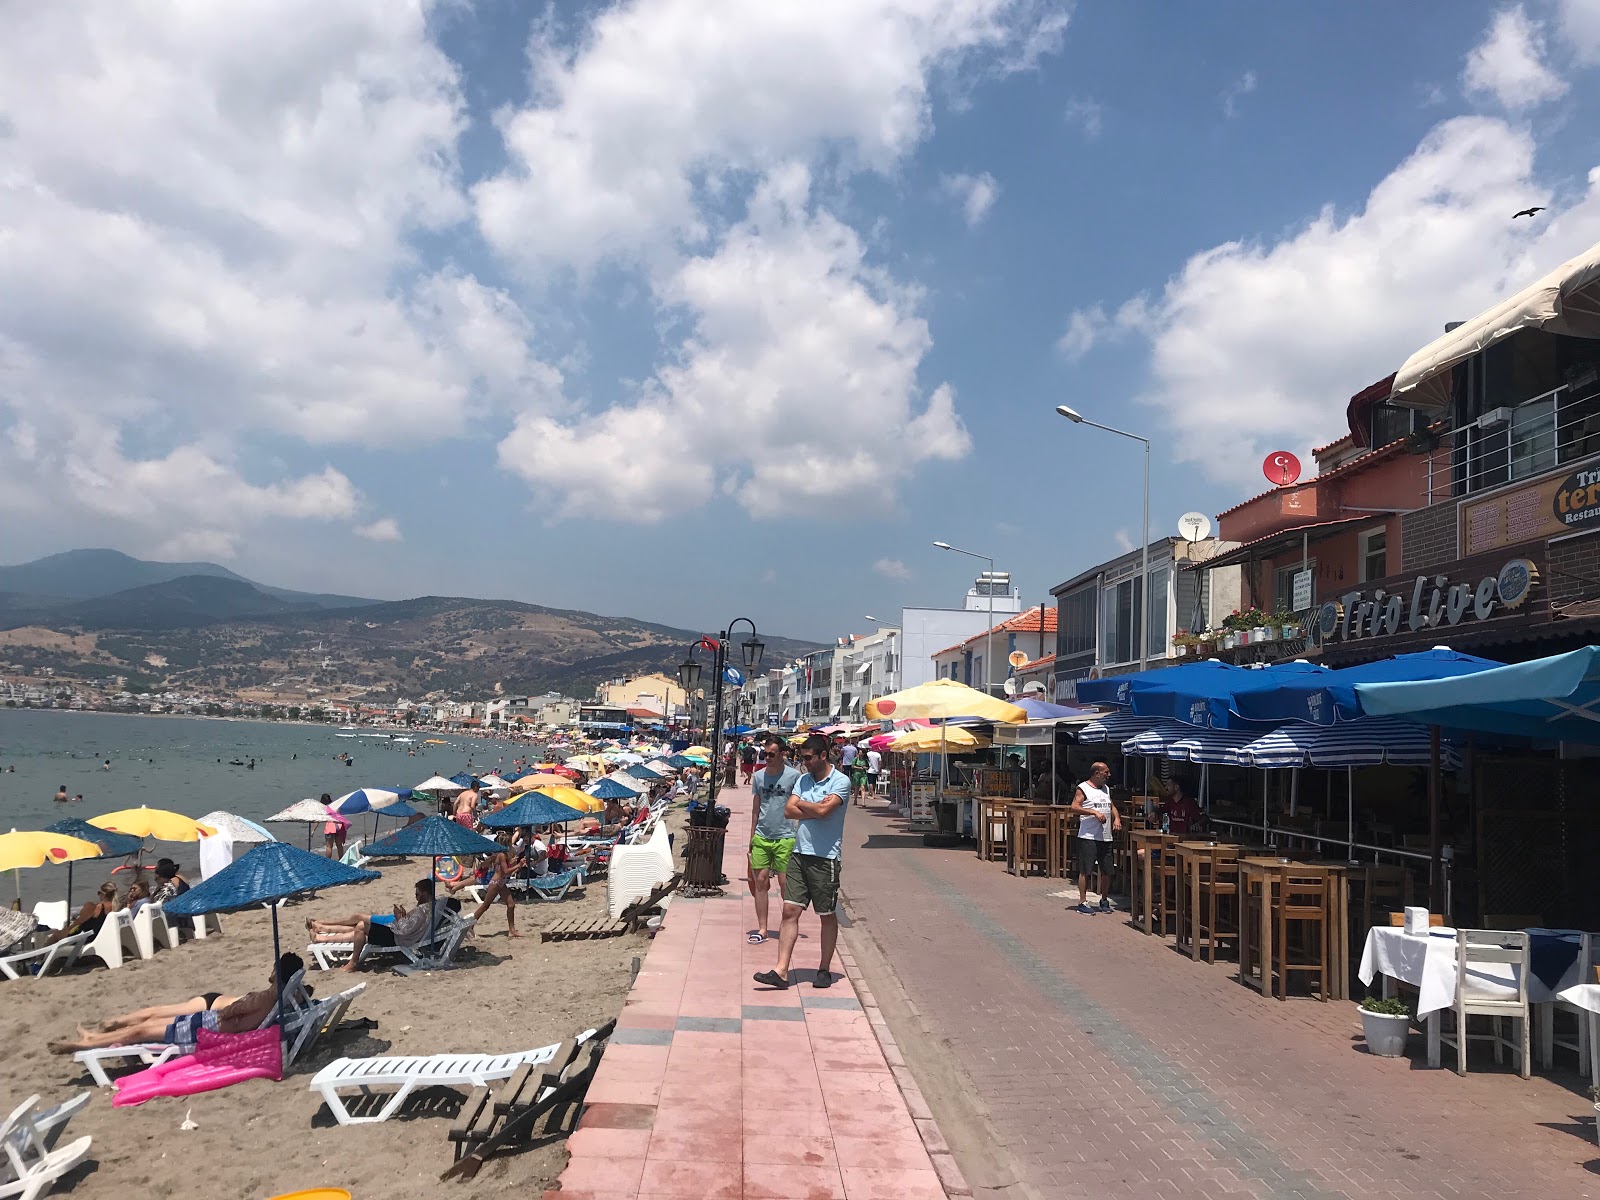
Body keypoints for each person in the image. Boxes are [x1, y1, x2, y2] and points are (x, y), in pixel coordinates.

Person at [49, 955, 303, 1055]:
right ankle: (91, 1037)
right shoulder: (282, 997)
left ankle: (84, 1044)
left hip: (207, 1025)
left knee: (143, 1029)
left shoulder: (265, 997)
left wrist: (237, 1008)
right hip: (209, 1022)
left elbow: (231, 1011)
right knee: (147, 1025)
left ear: (276, 972)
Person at [753, 733, 849, 990]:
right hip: (799, 853)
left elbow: (824, 812)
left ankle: (824, 969)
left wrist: (810, 807)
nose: (804, 762)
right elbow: (789, 810)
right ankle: (781, 970)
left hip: (825, 857)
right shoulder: (804, 780)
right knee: (789, 910)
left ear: (822, 756)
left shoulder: (841, 781)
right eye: (802, 757)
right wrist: (815, 806)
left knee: (826, 914)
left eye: (808, 758)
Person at [307, 878, 448, 973]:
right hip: (401, 933)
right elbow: (412, 926)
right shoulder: (430, 907)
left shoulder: (423, 910)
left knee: (361, 925)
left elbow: (404, 930)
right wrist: (404, 917)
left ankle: (353, 962)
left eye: (417, 894)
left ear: (424, 893)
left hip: (398, 937)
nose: (415, 897)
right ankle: (322, 935)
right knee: (360, 926)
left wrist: (399, 918)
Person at [747, 733, 800, 945]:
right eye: (765, 753)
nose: (767, 757)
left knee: (785, 883)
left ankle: (788, 923)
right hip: (762, 835)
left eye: (771, 754)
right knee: (760, 882)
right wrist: (752, 836)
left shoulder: (794, 777)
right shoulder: (758, 777)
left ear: (782, 754)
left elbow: (801, 804)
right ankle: (762, 928)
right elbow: (755, 808)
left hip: (786, 836)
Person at [1069, 762, 1121, 915]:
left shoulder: (1106, 789)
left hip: (1105, 836)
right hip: (1089, 835)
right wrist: (1093, 812)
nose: (1108, 775)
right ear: (1097, 773)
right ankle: (1082, 901)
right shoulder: (1083, 788)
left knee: (1107, 870)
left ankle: (1104, 899)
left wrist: (1116, 818)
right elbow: (1074, 807)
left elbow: (1111, 806)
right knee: (1086, 869)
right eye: (1106, 772)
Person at [470, 835, 521, 938]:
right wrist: (518, 865)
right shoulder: (502, 855)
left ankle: (511, 930)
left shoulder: (501, 855)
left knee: (511, 905)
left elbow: (501, 868)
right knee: (485, 906)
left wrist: (514, 863)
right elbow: (506, 871)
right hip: (496, 883)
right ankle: (469, 926)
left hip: (500, 883)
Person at [46, 882, 120, 945]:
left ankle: (40, 959)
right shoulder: (116, 908)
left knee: (55, 935)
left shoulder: (97, 907)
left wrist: (67, 929)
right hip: (98, 938)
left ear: (103, 895)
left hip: (85, 940)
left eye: (99, 893)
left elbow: (78, 921)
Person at [321, 793, 347, 858]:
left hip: (330, 828)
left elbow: (318, 819)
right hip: (338, 826)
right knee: (339, 845)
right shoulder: (335, 806)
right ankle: (341, 860)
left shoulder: (324, 808)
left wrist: (313, 830)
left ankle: (328, 862)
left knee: (329, 846)